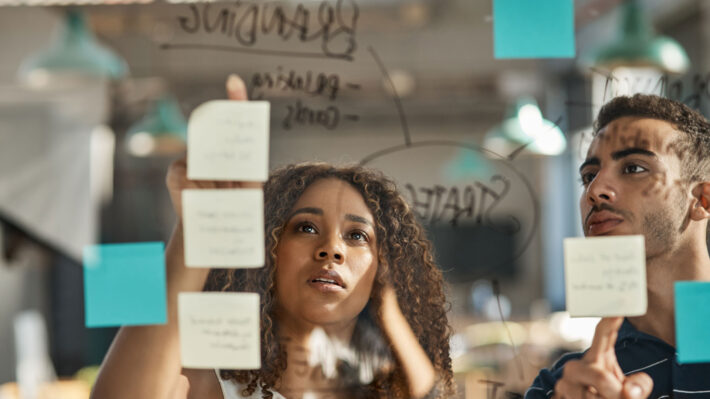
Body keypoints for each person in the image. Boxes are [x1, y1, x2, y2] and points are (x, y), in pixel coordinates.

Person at [90, 75, 454, 399]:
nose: (332, 249)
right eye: (306, 228)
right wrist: (197, 234)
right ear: (268, 251)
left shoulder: (377, 384)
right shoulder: (211, 382)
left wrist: (388, 304)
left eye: (357, 235)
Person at [526, 94, 710, 399]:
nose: (595, 191)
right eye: (588, 176)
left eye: (634, 168)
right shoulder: (563, 388)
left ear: (702, 200)